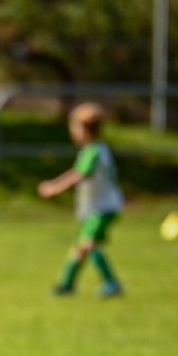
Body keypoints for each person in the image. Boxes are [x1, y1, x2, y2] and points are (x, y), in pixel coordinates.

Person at [37, 102, 125, 298]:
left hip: (103, 207)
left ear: (84, 130)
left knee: (88, 244)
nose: (73, 132)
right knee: (81, 247)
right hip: (96, 207)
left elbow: (80, 174)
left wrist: (54, 187)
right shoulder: (96, 149)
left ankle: (111, 283)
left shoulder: (94, 151)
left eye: (74, 128)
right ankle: (67, 284)